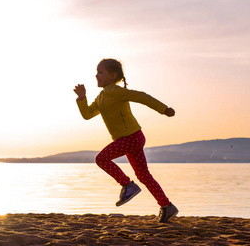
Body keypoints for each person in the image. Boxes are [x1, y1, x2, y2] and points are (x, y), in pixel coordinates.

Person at [73, 58, 178, 223]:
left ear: (112, 75)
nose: (96, 75)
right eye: (96, 72)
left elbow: (142, 97)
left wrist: (163, 109)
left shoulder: (116, 91)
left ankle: (127, 185)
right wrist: (82, 98)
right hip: (131, 138)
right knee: (143, 175)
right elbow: (87, 114)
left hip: (131, 137)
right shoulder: (101, 97)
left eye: (101, 72)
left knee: (101, 159)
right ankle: (167, 207)